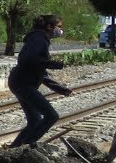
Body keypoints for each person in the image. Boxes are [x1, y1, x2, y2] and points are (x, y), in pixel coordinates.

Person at [9, 14, 73, 148]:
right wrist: (54, 63)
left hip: (19, 82)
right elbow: (27, 60)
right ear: (49, 27)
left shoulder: (39, 39)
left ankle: (14, 149)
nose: (60, 30)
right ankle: (26, 146)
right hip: (23, 84)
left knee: (35, 120)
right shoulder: (39, 39)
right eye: (59, 27)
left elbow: (41, 71)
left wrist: (60, 89)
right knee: (52, 116)